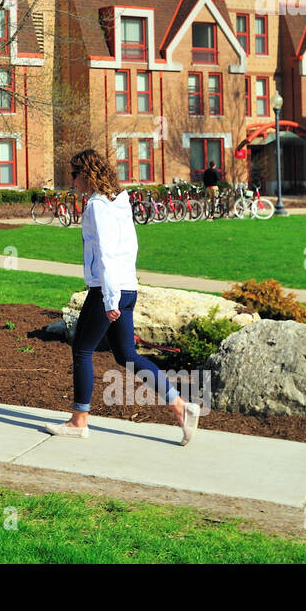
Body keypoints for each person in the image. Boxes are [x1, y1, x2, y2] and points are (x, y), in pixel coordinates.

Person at [48, 149, 201, 444]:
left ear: (88, 175)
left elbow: (105, 254)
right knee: (126, 354)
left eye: (75, 175)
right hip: (128, 286)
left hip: (109, 288)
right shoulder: (120, 203)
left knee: (82, 349)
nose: (72, 181)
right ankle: (181, 406)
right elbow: (130, 248)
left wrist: (110, 299)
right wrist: (123, 290)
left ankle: (79, 421)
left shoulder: (96, 207)